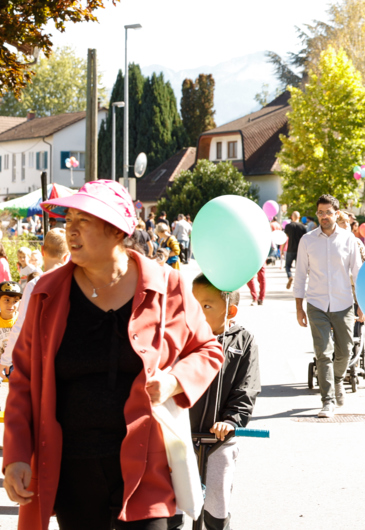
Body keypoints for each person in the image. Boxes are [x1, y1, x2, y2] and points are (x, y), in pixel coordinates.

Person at [3, 179, 223, 529]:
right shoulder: (48, 292)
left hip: (148, 469)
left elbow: (208, 349)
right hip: (72, 470)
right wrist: (15, 455)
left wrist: (173, 382)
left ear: (116, 230)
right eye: (68, 220)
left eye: (83, 221)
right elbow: (24, 380)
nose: (69, 231)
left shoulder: (168, 286)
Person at [168, 275, 261, 530]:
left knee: (216, 503)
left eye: (206, 306)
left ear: (230, 311)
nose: (196, 311)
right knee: (170, 506)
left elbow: (247, 388)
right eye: (192, 303)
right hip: (179, 435)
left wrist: (231, 420)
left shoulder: (243, 342)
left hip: (219, 438)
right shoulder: (180, 337)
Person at [293, 194, 365, 418]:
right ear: (317, 214)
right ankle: (328, 400)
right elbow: (300, 275)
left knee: (345, 351)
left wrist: (361, 304)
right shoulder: (307, 240)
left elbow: (358, 273)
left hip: (343, 304)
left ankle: (337, 379)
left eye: (328, 212)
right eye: (320, 212)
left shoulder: (348, 239)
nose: (324, 216)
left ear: (337, 213)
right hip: (317, 304)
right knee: (323, 353)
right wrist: (299, 307)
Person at [1, 228, 69, 375]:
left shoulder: (34, 284)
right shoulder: (72, 283)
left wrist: (6, 359)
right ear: (66, 257)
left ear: (42, 250)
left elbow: (21, 324)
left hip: (40, 355)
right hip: (67, 354)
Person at [0, 281, 22, 380]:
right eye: (7, 300)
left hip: (16, 363)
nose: (11, 304)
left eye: (15, 301)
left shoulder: (22, 321)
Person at [284, 211, 307, 290]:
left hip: (290, 249)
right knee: (299, 267)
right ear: (299, 217)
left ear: (291, 217)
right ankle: (298, 283)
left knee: (287, 266)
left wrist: (282, 250)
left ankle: (290, 276)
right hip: (300, 250)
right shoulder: (303, 227)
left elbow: (286, 237)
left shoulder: (288, 226)